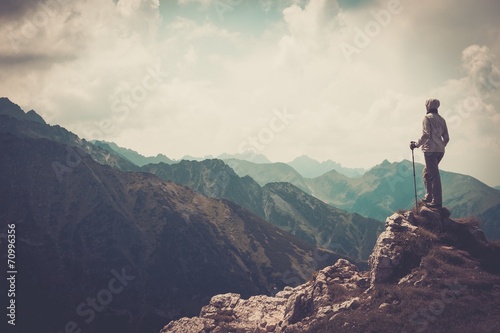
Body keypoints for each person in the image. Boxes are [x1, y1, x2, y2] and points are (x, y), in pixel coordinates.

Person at [410, 98, 450, 208]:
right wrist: (441, 145)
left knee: (433, 176)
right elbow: (446, 137)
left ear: (427, 106)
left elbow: (426, 134)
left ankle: (436, 202)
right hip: (440, 151)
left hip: (430, 151)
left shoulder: (426, 118)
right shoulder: (442, 119)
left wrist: (416, 144)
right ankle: (429, 197)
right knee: (427, 173)